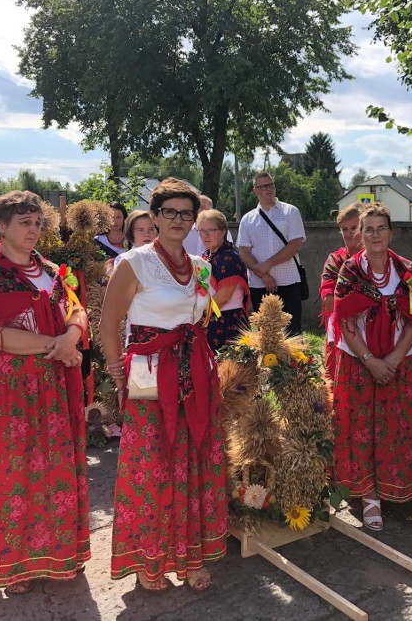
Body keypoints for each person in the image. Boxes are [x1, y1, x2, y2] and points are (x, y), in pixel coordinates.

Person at [100, 178, 228, 593]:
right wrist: (115, 367)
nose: (178, 219)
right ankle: (148, 559)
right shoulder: (133, 262)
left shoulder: (203, 265)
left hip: (194, 370)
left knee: (193, 461)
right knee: (153, 466)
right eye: (169, 212)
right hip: (151, 374)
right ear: (153, 216)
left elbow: (202, 319)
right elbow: (108, 323)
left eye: (186, 213)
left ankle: (191, 556)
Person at [0, 191, 90, 594]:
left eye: (37, 223)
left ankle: (59, 553)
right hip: (12, 393)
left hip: (55, 388)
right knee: (14, 474)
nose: (33, 230)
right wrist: (60, 345)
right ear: (0, 227)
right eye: (24, 223)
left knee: (56, 469)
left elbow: (77, 310)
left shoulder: (51, 269)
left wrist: (71, 335)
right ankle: (13, 565)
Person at [332, 203, 412, 535]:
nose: (375, 235)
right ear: (360, 235)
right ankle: (369, 496)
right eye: (369, 229)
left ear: (391, 232)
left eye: (381, 228)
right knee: (362, 427)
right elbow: (344, 319)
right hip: (359, 361)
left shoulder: (406, 269)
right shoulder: (349, 271)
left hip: (400, 360)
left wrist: (391, 361)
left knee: (405, 427)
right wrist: (371, 361)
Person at [237, 172, 306, 335]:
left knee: (292, 331)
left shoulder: (291, 212)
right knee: (265, 333)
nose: (268, 189)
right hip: (259, 284)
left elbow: (295, 244)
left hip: (288, 280)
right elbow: (243, 251)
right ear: (255, 190)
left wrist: (267, 265)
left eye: (271, 185)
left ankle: (292, 361)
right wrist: (264, 274)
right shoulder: (247, 219)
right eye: (263, 186)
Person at [320, 203, 362, 382]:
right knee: (337, 383)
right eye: (344, 229)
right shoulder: (335, 260)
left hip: (374, 332)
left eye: (354, 228)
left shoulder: (378, 259)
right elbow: (329, 302)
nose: (349, 233)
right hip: (341, 331)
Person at [197, 208, 249, 350]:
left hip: (227, 322)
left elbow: (223, 297)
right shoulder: (205, 255)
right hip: (209, 319)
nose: (205, 235)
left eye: (211, 230)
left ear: (223, 231)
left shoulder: (229, 257)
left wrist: (198, 314)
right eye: (201, 231)